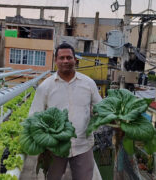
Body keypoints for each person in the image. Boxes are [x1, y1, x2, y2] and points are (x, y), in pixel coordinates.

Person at [29, 43, 102, 180]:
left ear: (75, 60)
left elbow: (101, 108)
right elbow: (34, 116)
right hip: (55, 147)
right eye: (61, 58)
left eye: (69, 57)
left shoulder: (88, 83)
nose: (65, 61)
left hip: (83, 145)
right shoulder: (45, 87)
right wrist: (44, 141)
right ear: (56, 61)